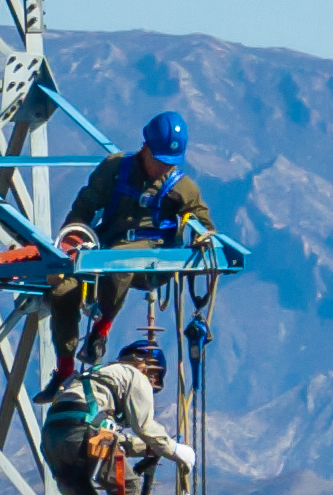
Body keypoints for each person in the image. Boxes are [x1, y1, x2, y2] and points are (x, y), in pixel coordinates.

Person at [49, 109, 212, 381]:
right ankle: (64, 369)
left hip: (152, 259)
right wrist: (72, 244)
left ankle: (100, 330)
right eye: (159, 160)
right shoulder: (114, 171)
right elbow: (83, 209)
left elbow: (203, 224)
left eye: (170, 163)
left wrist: (200, 236)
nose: (164, 168)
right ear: (144, 147)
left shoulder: (182, 189)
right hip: (103, 250)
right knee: (63, 289)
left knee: (118, 261)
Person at [43, 337, 191, 495]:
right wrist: (175, 450)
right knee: (129, 489)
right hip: (85, 432)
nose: (152, 384)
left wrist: (148, 449)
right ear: (145, 364)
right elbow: (144, 426)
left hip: (53, 437)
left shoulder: (88, 379)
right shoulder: (133, 375)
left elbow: (114, 438)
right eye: (154, 377)